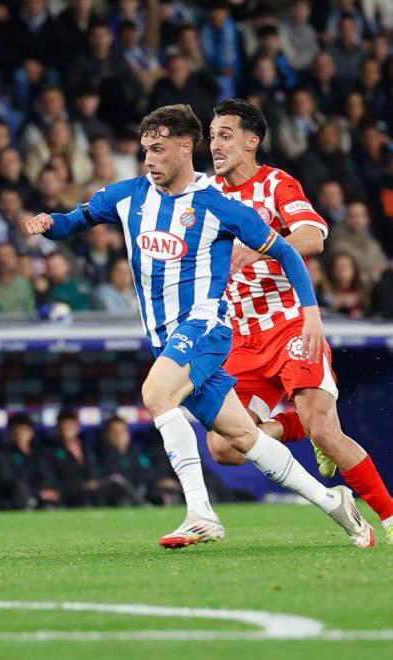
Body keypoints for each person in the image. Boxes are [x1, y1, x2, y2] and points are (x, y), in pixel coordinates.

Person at [23, 103, 374, 549]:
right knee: (243, 437)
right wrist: (47, 223)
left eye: (159, 149)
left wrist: (310, 313)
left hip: (206, 327)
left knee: (156, 394)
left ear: (186, 147)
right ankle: (334, 503)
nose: (149, 159)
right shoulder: (128, 195)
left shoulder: (215, 204)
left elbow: (286, 252)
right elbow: (73, 221)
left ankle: (200, 513)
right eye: (145, 149)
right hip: (165, 337)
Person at [206, 98, 392, 544]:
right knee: (223, 447)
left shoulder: (276, 185)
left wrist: (254, 248)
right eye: (212, 136)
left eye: (225, 135)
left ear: (252, 142)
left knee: (327, 429)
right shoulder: (204, 195)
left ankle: (388, 516)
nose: (214, 144)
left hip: (289, 324)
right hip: (241, 338)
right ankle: (298, 427)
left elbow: (313, 235)